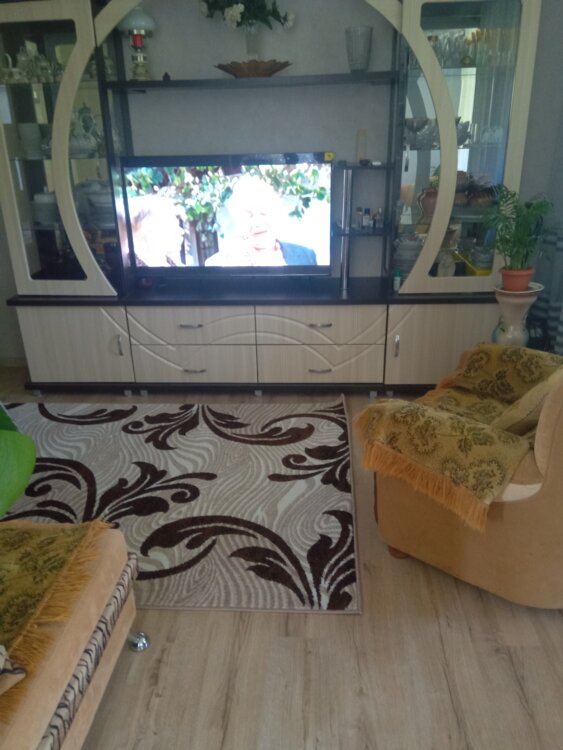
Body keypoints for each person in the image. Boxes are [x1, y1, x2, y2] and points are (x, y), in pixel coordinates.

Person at [205, 175, 317, 267]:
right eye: (248, 215)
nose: (257, 223)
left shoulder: (307, 256)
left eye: (263, 213)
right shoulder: (218, 264)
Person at [117, 195, 190, 268]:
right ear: (144, 226)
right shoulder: (130, 268)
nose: (181, 231)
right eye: (171, 225)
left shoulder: (173, 264)